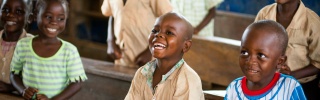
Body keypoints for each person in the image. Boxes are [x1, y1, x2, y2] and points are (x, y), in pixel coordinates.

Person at [10, 0, 87, 99]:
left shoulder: (69, 51)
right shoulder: (23, 45)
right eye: (48, 17)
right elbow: (14, 74)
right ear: (35, 16)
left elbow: (77, 84)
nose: (54, 22)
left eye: (61, 18)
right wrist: (22, 90)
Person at [125, 12, 204, 100]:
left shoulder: (188, 80)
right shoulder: (142, 73)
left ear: (186, 46)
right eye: (155, 31)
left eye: (169, 33)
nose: (158, 35)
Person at [225, 20, 306, 100]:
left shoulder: (289, 88)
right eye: (245, 53)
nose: (250, 61)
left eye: (261, 55)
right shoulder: (234, 89)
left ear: (280, 61)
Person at [255, 0, 320, 99]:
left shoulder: (312, 22)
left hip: (303, 87)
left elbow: (318, 64)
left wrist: (291, 75)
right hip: (267, 83)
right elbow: (255, 48)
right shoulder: (264, 14)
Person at [101, 0, 172, 68]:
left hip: (148, 60)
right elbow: (111, 13)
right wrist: (110, 41)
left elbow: (167, 18)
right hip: (122, 59)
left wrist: (151, 50)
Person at [0, 0, 33, 92]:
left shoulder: (34, 45)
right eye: (5, 10)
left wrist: (10, 87)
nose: (10, 15)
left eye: (18, 11)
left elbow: (38, 80)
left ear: (29, 18)